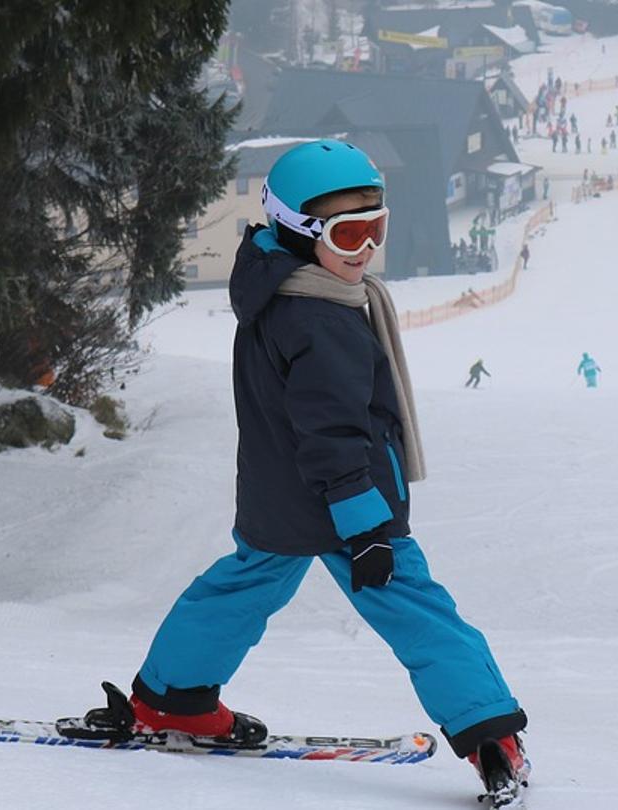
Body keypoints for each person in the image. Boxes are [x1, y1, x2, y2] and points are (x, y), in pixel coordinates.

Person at [75, 140, 528, 801]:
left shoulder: (273, 286)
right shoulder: (322, 318)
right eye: (348, 232)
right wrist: (366, 525)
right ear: (298, 228)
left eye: (376, 226)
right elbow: (335, 432)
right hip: (347, 503)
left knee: (238, 591)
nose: (365, 248)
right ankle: (490, 731)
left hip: (277, 495)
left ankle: (173, 699)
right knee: (418, 611)